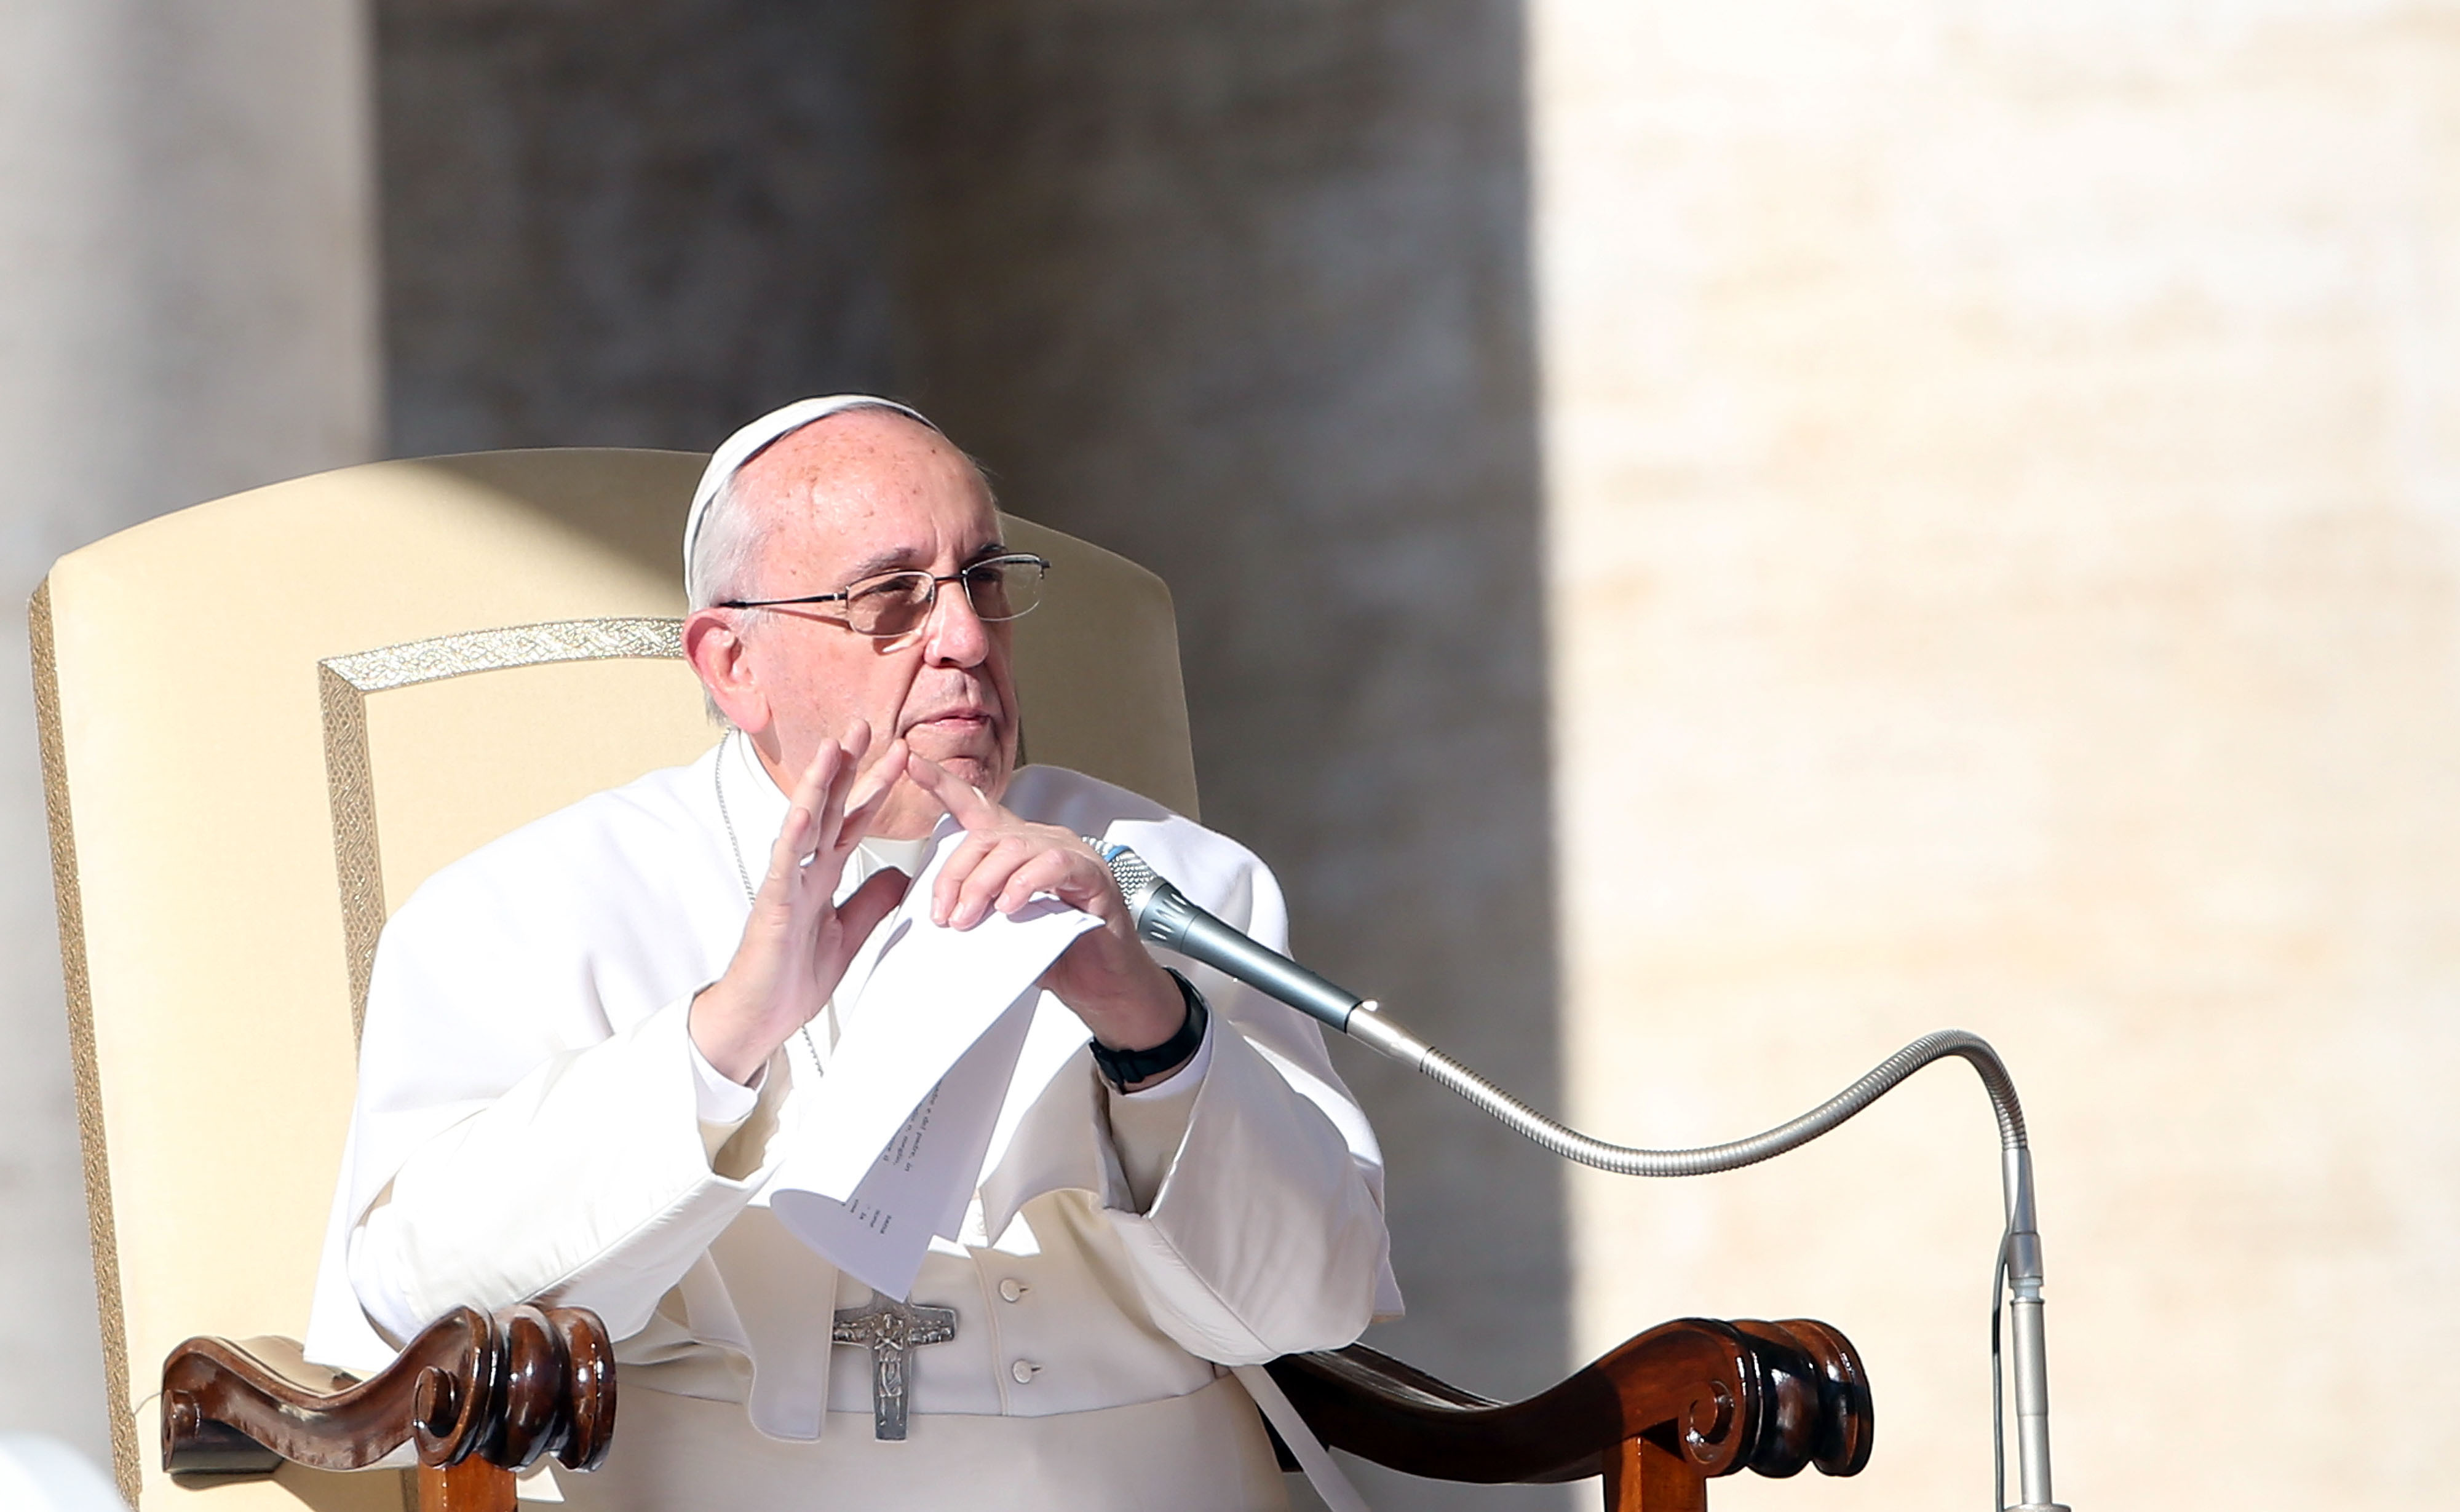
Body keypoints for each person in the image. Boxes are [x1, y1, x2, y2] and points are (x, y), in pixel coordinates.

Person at [303, 395, 1400, 1511]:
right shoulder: (532, 905)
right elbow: (409, 1309)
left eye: (983, 580)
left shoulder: (1169, 880)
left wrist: (1153, 1033)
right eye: (891, 599)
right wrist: (723, 1039)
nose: (967, 639)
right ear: (734, 663)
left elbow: (1309, 1307)